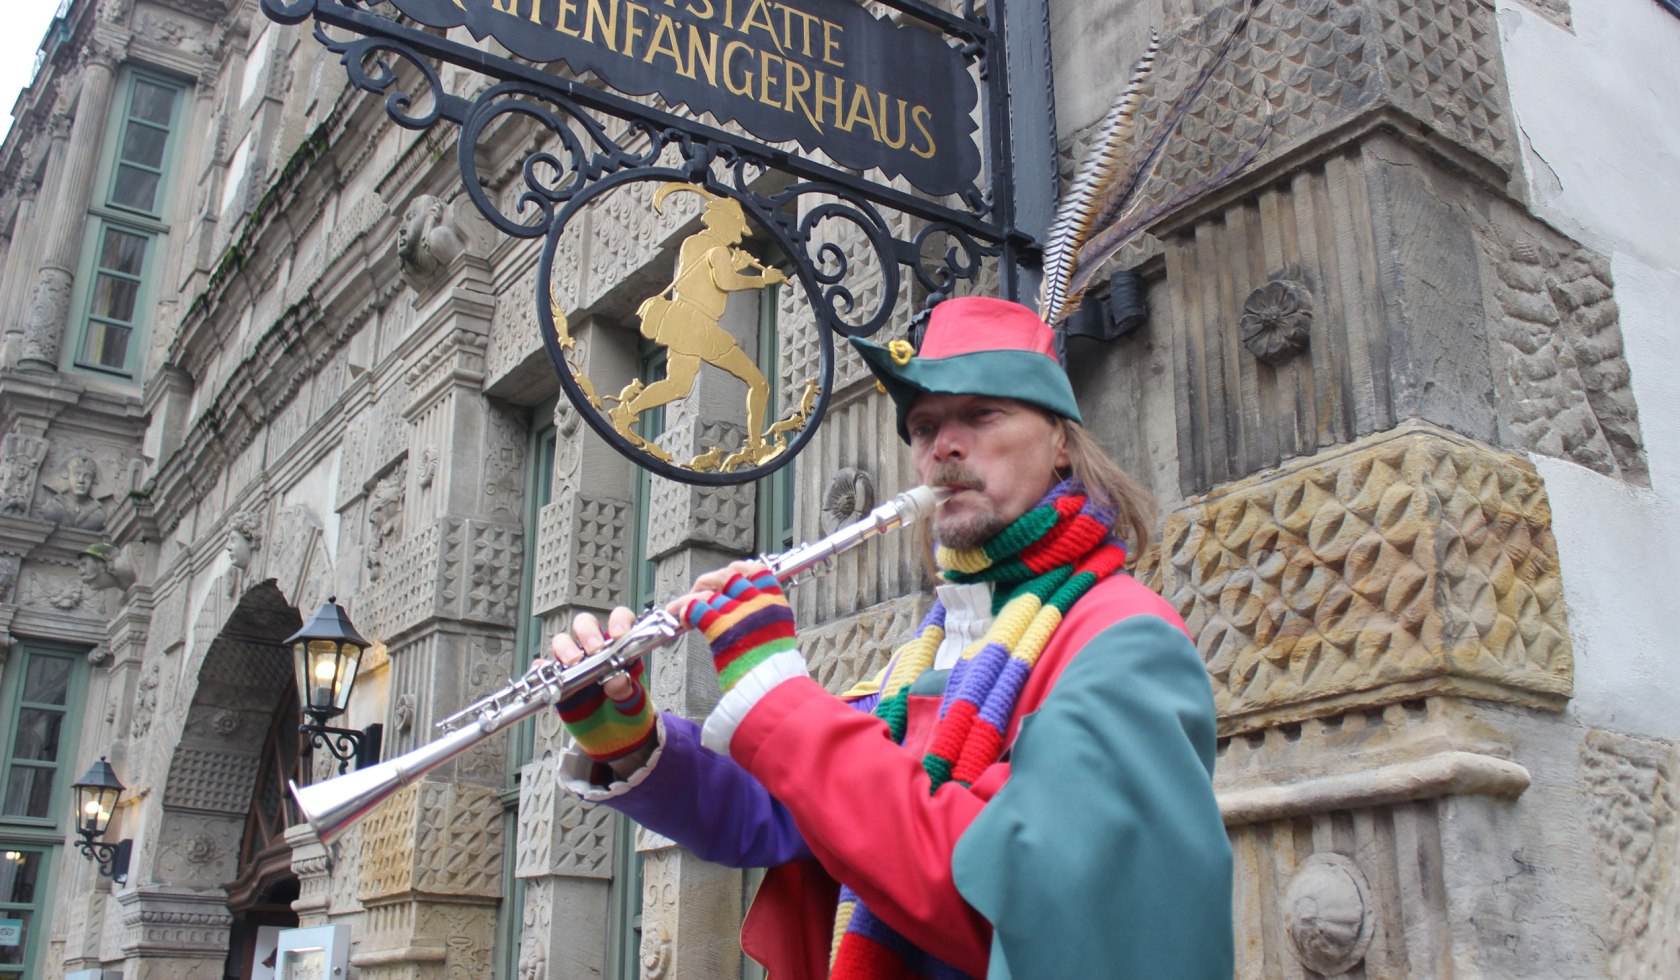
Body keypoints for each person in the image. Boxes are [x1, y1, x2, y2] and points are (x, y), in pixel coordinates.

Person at [552, 296, 1233, 978]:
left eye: (981, 413)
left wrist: (776, 692)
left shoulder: (1124, 639)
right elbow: (792, 811)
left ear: (1061, 441)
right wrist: (635, 742)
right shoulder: (932, 648)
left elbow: (1004, 895)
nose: (945, 447)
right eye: (924, 426)